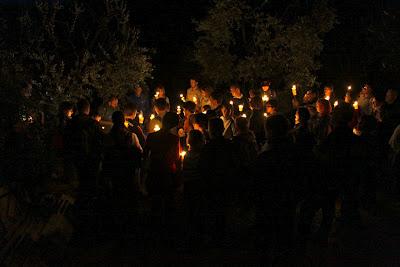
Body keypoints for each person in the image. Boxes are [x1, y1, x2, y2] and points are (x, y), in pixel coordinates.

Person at [253, 115, 302, 252]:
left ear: (270, 131)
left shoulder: (268, 155)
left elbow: (259, 180)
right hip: (288, 199)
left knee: (271, 233)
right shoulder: (293, 150)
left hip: (270, 200)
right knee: (286, 229)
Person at [199, 118, 236, 243]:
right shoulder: (230, 145)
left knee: (213, 210)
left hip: (212, 183)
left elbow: (203, 167)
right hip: (226, 182)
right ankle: (223, 234)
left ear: (211, 130)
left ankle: (216, 236)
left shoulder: (207, 148)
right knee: (223, 210)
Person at [143, 112, 182, 231]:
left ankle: (154, 228)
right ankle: (167, 229)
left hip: (154, 171)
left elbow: (145, 155)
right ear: (173, 125)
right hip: (167, 173)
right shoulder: (174, 139)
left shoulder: (151, 136)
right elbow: (177, 158)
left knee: (155, 202)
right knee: (168, 203)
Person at [102, 111, 142, 223]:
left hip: (114, 173)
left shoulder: (108, 138)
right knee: (128, 198)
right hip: (128, 172)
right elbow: (139, 152)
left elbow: (105, 156)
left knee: (117, 198)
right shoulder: (131, 136)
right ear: (123, 121)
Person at [183, 130, 206, 246]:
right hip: (197, 185)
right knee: (197, 210)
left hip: (190, 185)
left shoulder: (188, 156)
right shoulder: (201, 155)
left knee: (191, 211)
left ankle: (191, 235)